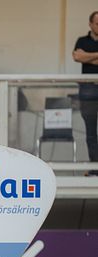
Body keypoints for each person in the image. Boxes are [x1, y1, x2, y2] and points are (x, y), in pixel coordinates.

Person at [73, 11, 98, 176]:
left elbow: (83, 56)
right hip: (88, 90)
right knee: (90, 132)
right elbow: (77, 56)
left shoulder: (84, 45)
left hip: (90, 89)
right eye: (97, 23)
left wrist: (87, 57)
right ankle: (95, 167)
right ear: (90, 24)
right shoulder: (82, 40)